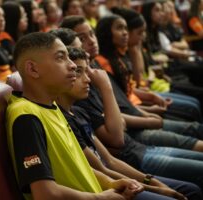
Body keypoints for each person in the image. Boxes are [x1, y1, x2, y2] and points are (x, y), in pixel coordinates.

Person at [60, 15, 203, 188]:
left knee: (192, 115)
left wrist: (146, 109)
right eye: (82, 40)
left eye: (91, 34)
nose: (90, 42)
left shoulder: (93, 73)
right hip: (134, 147)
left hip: (135, 143)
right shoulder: (83, 91)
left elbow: (125, 104)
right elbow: (115, 142)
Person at [6, 32, 144, 200]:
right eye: (60, 58)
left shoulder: (52, 106)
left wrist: (110, 183)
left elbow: (76, 163)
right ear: (33, 69)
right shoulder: (26, 116)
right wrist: (100, 198)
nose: (71, 65)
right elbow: (45, 194)